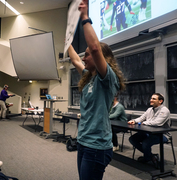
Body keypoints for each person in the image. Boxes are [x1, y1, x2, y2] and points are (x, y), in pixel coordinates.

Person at [68, 1, 125, 179]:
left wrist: (85, 17)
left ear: (101, 57)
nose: (83, 58)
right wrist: (67, 40)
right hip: (84, 141)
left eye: (86, 55)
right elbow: (75, 61)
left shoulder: (107, 79)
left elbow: (94, 48)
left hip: (97, 146)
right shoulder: (89, 76)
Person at [128, 93, 170, 168]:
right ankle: (152, 157)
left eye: (154, 99)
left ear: (160, 101)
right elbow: (141, 118)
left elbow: (157, 123)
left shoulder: (165, 110)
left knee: (146, 143)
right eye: (151, 98)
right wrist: (134, 120)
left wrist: (143, 123)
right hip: (149, 133)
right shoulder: (149, 109)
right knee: (132, 139)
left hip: (162, 135)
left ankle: (147, 158)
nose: (151, 100)